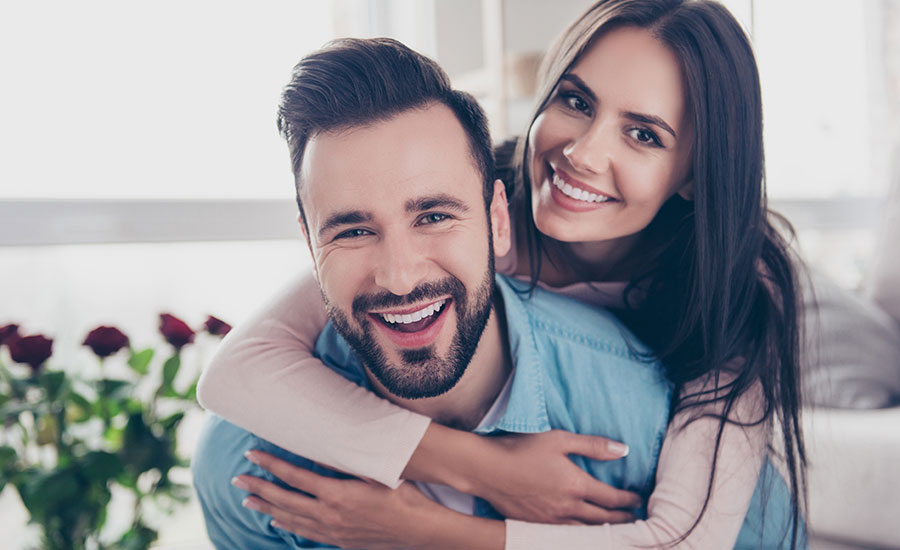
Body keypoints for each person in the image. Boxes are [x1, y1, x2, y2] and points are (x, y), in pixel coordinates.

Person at [196, 0, 807, 548]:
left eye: (643, 134)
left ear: (697, 173)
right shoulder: (467, 206)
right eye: (576, 101)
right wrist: (477, 467)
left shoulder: (736, 285)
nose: (584, 153)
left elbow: (688, 538)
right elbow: (238, 372)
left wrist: (424, 530)